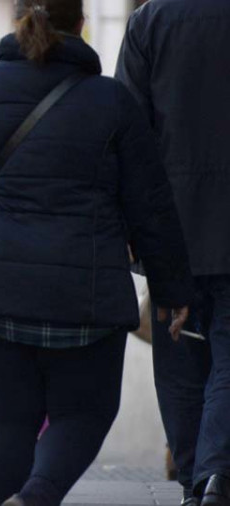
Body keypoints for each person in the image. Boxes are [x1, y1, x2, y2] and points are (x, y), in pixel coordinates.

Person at [0, 1, 194, 504]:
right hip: (84, 292)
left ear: (16, 19)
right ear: (81, 23)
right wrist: (172, 287)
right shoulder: (111, 101)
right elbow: (151, 205)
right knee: (84, 413)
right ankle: (36, 497)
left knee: (9, 416)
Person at [116, 1, 230, 504]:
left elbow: (126, 129)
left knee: (179, 354)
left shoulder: (149, 21)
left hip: (171, 224)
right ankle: (216, 474)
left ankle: (192, 481)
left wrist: (132, 224)